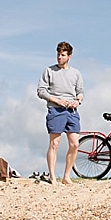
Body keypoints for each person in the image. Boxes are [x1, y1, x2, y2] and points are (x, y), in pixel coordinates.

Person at [37, 41, 84, 184]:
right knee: (54, 144)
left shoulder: (76, 73)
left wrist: (78, 100)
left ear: (69, 56)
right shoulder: (49, 71)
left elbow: (80, 92)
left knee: (74, 144)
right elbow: (41, 91)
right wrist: (57, 100)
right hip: (55, 110)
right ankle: (52, 177)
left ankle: (66, 176)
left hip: (72, 110)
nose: (59, 57)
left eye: (63, 55)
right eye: (58, 54)